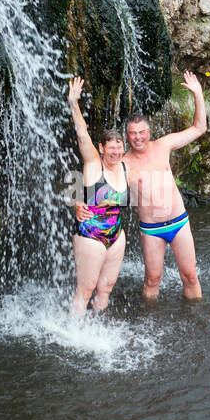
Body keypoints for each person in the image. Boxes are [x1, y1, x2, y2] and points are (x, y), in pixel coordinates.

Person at [77, 70, 207, 301]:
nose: (138, 137)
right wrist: (78, 202)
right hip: (151, 229)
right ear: (127, 136)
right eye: (132, 133)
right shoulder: (122, 163)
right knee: (152, 279)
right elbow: (96, 181)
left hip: (179, 222)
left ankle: (196, 318)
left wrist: (198, 94)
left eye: (142, 132)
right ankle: (150, 321)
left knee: (190, 276)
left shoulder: (163, 145)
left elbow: (199, 128)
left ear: (149, 132)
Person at [67, 76, 129, 314]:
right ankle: (74, 334)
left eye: (119, 145)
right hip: (90, 234)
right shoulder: (94, 164)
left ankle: (98, 327)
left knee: (106, 287)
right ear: (101, 148)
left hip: (116, 236)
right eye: (111, 146)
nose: (116, 150)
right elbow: (83, 135)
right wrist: (74, 104)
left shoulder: (126, 167)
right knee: (86, 288)